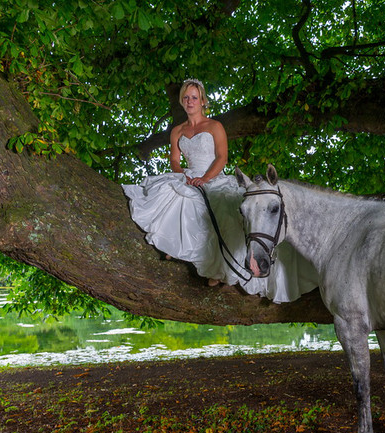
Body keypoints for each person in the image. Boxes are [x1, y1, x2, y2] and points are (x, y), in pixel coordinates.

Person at [122, 79, 318, 303]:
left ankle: (225, 271)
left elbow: (222, 158)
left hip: (212, 175)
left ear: (203, 101)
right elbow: (175, 161)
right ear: (181, 102)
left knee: (227, 213)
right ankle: (176, 248)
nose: (190, 101)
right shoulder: (177, 131)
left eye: (194, 97)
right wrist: (183, 175)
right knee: (174, 196)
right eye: (186, 98)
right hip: (188, 175)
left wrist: (205, 178)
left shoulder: (214, 126)